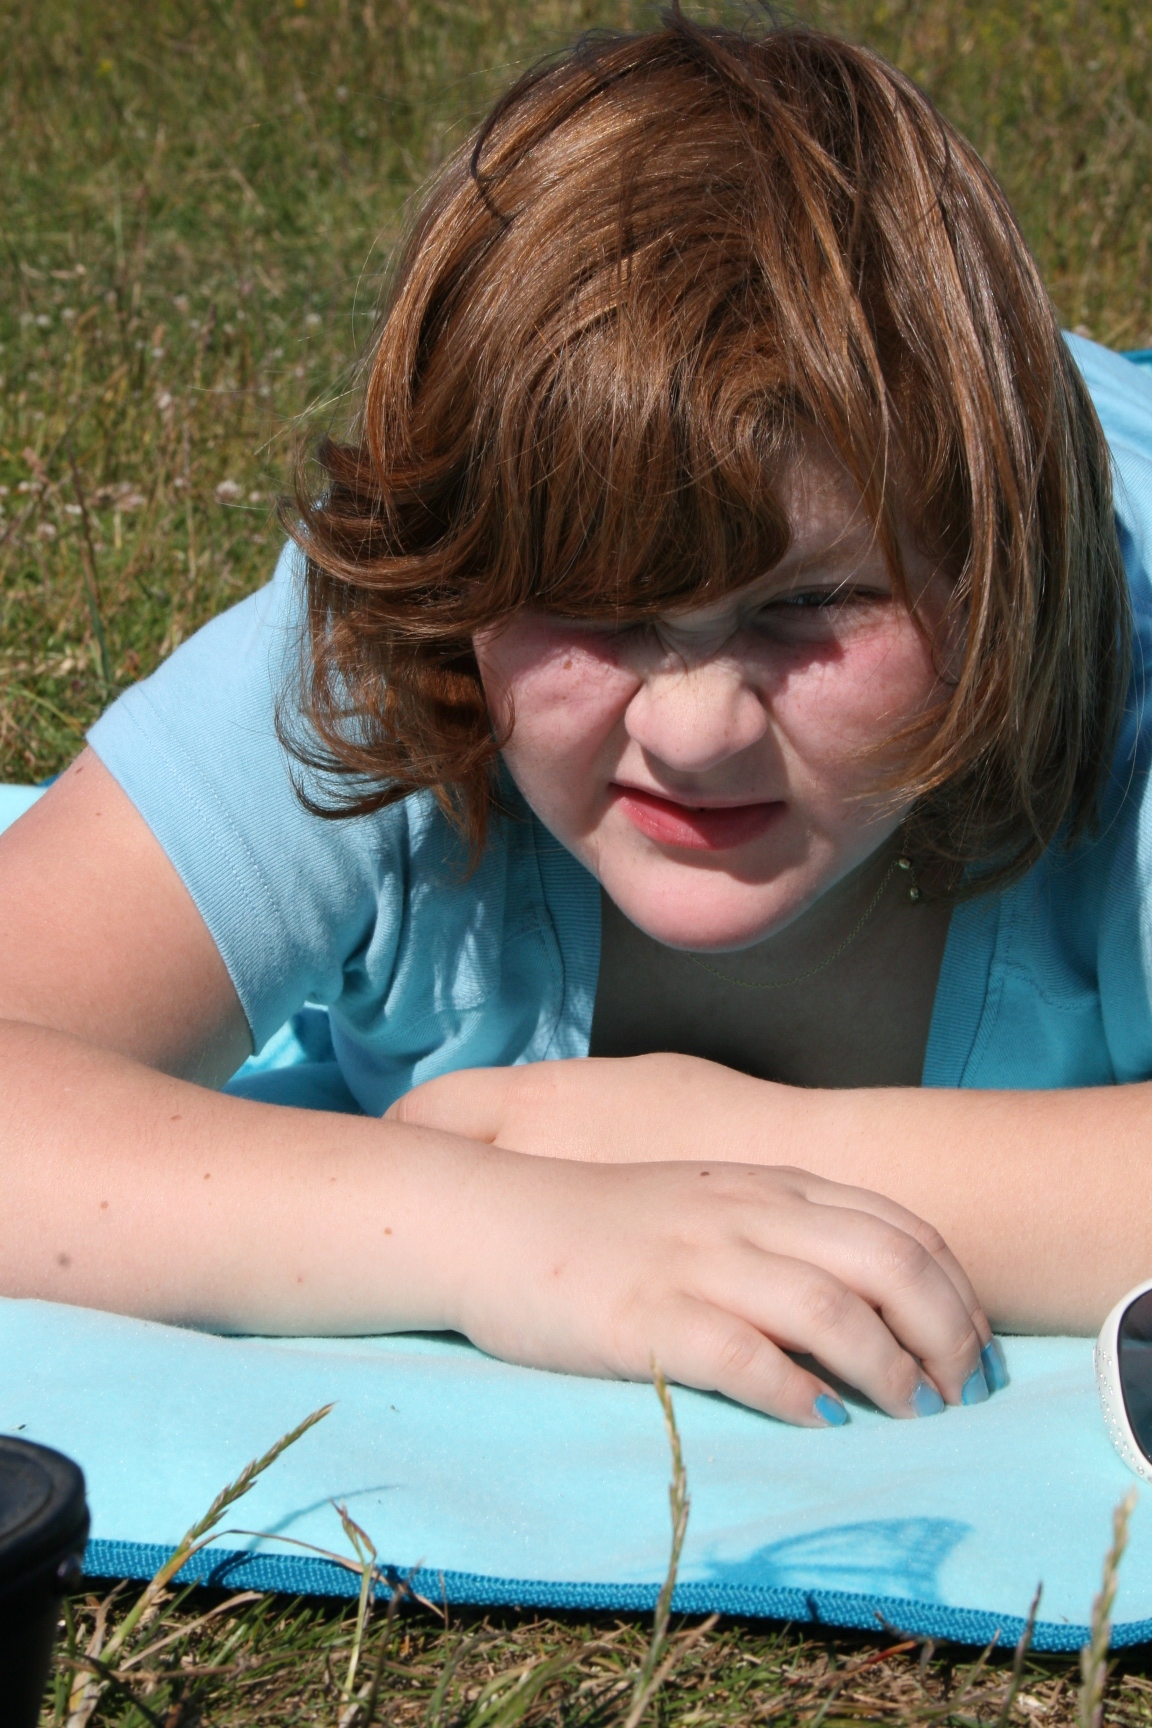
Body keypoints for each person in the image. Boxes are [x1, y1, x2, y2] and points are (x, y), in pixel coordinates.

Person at [2, 13, 1151, 1433]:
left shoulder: (1118, 694)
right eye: (596, 612)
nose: (696, 729)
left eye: (812, 606)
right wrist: (500, 1228)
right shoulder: (392, 656)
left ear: (991, 577)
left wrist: (748, 1148)